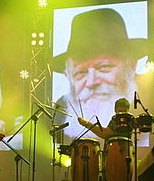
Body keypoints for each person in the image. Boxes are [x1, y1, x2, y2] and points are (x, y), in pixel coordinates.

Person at [52, 8, 147, 142]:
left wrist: (86, 123)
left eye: (104, 67)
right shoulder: (61, 110)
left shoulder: (147, 103)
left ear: (131, 65)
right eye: (80, 72)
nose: (91, 82)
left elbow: (107, 133)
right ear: (68, 76)